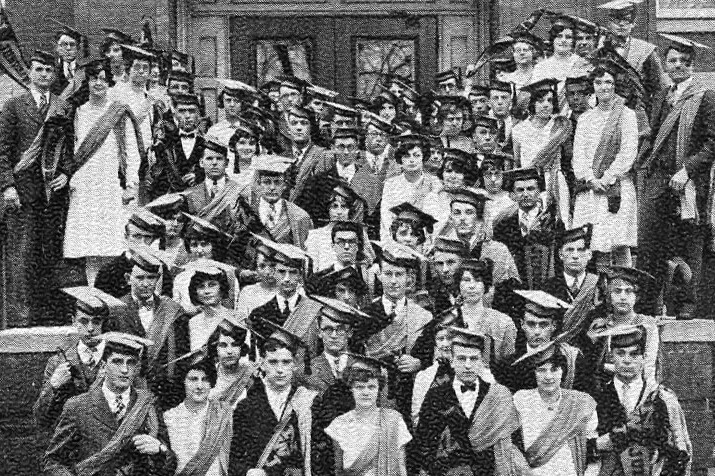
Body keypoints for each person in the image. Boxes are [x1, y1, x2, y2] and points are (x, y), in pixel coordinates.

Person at [635, 34, 715, 318]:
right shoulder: (662, 95)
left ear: (692, 65)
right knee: (649, 239)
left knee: (688, 241)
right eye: (672, 60)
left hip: (688, 181)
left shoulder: (704, 96)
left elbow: (712, 143)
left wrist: (687, 169)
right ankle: (646, 303)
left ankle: (686, 304)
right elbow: (653, 134)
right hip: (658, 176)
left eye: (684, 61)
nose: (677, 65)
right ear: (666, 65)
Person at [0, 50, 73, 326]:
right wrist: (7, 186)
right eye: (39, 69)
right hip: (22, 193)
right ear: (29, 73)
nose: (44, 75)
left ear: (54, 76)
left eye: (48, 71)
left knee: (49, 254)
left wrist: (66, 172)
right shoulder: (14, 106)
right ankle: (20, 316)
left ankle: (47, 313)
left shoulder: (62, 107)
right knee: (21, 254)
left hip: (52, 195)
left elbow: (67, 145)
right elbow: (3, 151)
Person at [43, 332, 177, 476]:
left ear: (137, 368)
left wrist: (160, 450)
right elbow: (53, 461)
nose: (125, 369)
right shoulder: (78, 406)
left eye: (131, 362)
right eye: (117, 361)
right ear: (103, 365)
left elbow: (169, 466)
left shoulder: (147, 404)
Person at [63, 57, 145, 285]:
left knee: (111, 243)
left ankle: (108, 293)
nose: (98, 83)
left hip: (110, 183)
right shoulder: (78, 112)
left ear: (109, 82)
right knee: (89, 246)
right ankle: (92, 292)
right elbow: (71, 148)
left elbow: (131, 151)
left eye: (103, 79)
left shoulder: (118, 112)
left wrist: (131, 184)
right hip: (85, 183)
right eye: (93, 78)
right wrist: (72, 178)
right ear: (87, 82)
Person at [414, 327, 526, 476]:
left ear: (482, 362)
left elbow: (512, 446)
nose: (468, 365)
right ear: (452, 361)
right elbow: (424, 444)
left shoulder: (499, 395)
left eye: (473, 359)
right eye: (461, 358)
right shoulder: (435, 395)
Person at [593, 325, 692, 476]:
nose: (627, 361)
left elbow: (680, 450)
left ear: (644, 358)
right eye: (620, 353)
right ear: (611, 356)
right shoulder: (596, 398)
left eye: (634, 355)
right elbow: (581, 449)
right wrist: (599, 444)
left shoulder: (662, 398)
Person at [572, 61, 639, 268]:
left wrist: (608, 178)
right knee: (596, 246)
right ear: (592, 86)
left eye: (608, 82)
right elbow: (578, 155)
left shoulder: (626, 115)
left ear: (615, 85)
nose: (604, 87)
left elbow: (628, 151)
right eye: (599, 82)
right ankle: (599, 293)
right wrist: (591, 179)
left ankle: (624, 289)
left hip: (616, 187)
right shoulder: (585, 119)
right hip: (591, 190)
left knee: (620, 244)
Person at [228, 324, 318, 476]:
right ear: (262, 363)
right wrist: (248, 472)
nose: (280, 370)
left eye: (286, 362)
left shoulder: (310, 402)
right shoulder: (246, 407)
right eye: (273, 362)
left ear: (295, 364)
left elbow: (320, 454)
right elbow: (233, 461)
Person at [107, 248, 190, 411]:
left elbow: (182, 358)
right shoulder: (115, 311)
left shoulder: (173, 311)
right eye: (140, 278)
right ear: (128, 278)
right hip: (128, 390)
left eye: (151, 278)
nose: (146, 284)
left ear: (158, 278)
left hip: (166, 394)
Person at [34, 287, 124, 429]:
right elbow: (41, 419)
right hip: (72, 443)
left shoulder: (120, 360)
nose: (90, 328)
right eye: (83, 321)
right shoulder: (58, 362)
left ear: (104, 324)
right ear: (73, 321)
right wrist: (53, 385)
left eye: (96, 322)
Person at [512, 345, 599, 476]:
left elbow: (593, 455)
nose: (548, 376)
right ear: (533, 372)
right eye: (541, 370)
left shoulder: (581, 402)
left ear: (563, 371)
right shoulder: (521, 400)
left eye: (554, 369)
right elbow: (510, 447)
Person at [324, 356, 412, 476]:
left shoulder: (394, 420)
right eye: (359, 387)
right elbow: (338, 470)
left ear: (379, 389)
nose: (366, 392)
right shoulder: (339, 424)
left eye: (371, 387)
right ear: (351, 389)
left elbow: (401, 467)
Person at [497, 289, 592, 395]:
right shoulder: (509, 364)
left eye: (543, 325)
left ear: (554, 326)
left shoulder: (571, 359)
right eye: (531, 324)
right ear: (522, 324)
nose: (537, 332)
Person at [585, 267, 660, 388]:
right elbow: (592, 366)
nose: (623, 297)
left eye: (629, 291)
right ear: (609, 295)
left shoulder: (646, 325)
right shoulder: (600, 325)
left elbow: (649, 365)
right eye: (617, 291)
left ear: (637, 296)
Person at [512, 78, 572, 224]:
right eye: (540, 101)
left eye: (550, 101)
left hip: (555, 181)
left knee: (559, 221)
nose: (546, 105)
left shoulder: (560, 126)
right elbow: (517, 161)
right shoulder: (519, 130)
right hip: (529, 184)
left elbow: (568, 156)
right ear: (531, 104)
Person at [493, 168, 560, 290]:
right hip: (514, 287)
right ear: (513, 195)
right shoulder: (503, 224)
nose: (525, 194)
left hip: (545, 285)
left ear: (539, 192)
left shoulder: (551, 222)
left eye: (530, 189)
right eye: (520, 190)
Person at [164, 357, 232, 476]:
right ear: (183, 381)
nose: (199, 386)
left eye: (205, 380)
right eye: (193, 379)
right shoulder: (169, 417)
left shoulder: (223, 413)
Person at [597, 0, 668, 112]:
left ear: (633, 23)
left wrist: (653, 116)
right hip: (605, 112)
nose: (621, 24)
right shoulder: (600, 50)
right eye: (616, 19)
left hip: (636, 113)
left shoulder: (645, 51)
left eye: (626, 19)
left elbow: (661, 87)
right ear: (609, 23)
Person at [448, 259, 517, 367]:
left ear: (485, 285)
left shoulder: (503, 322)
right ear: (458, 284)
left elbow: (508, 363)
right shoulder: (448, 320)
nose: (472, 286)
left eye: (478, 280)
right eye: (466, 280)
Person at [380, 135, 442, 241]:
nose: (411, 160)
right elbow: (386, 218)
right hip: (397, 239)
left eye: (416, 155)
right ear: (400, 160)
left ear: (424, 157)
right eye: (407, 156)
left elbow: (437, 219)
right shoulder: (391, 184)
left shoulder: (435, 183)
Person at [94, 210, 166, 298]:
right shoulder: (108, 271)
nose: (142, 242)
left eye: (148, 237)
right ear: (126, 237)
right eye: (137, 236)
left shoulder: (161, 268)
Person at [150, 93, 207, 198]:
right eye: (181, 111)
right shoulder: (164, 143)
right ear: (175, 113)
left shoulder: (207, 143)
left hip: (199, 200)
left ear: (199, 114)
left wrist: (199, 175)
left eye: (192, 111)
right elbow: (154, 176)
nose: (187, 116)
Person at [251, 155, 314, 248]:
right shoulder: (245, 211)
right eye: (267, 182)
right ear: (258, 183)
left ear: (285, 185)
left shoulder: (300, 217)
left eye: (277, 182)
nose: (272, 188)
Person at [108, 45, 156, 152]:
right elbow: (126, 126)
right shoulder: (117, 92)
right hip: (124, 151)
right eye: (137, 67)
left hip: (145, 154)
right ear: (128, 69)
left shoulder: (148, 96)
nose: (141, 71)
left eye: (145, 68)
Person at [423, 148, 479, 238]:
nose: (453, 176)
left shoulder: (476, 196)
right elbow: (428, 231)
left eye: (458, 172)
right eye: (448, 171)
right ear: (442, 173)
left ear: (466, 175)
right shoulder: (432, 198)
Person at [283, 105, 332, 202]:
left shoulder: (323, 155)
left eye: (304, 123)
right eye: (294, 123)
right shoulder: (282, 156)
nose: (299, 128)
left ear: (311, 127)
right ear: (288, 129)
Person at [542, 225, 599, 304]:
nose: (575, 256)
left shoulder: (598, 286)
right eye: (569, 250)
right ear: (561, 254)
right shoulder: (548, 288)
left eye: (581, 250)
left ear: (589, 254)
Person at [531, 16, 582, 106]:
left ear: (573, 41)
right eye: (559, 36)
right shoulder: (541, 67)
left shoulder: (581, 63)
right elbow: (536, 97)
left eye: (568, 37)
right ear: (553, 39)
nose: (563, 40)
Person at [208, 315, 256, 408]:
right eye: (223, 345)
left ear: (242, 348)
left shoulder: (249, 373)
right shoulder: (207, 374)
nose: (229, 351)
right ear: (215, 348)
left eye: (234, 345)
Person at [207, 79, 252, 175]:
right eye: (228, 100)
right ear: (222, 102)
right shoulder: (214, 131)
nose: (232, 105)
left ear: (242, 103)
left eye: (236, 101)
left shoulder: (250, 129)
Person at [187, 265, 235, 350]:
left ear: (221, 288)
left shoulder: (234, 318)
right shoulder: (193, 322)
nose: (206, 291)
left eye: (212, 285)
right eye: (201, 286)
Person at [185, 137, 237, 214]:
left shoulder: (237, 190)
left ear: (226, 163)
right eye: (209, 158)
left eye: (219, 159)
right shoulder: (190, 194)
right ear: (201, 163)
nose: (214, 163)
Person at [480, 152, 517, 235]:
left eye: (497, 174)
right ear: (482, 176)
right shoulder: (477, 197)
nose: (493, 179)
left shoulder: (511, 199)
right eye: (488, 175)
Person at [51, 23, 83, 96]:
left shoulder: (84, 71)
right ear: (57, 48)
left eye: (72, 45)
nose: (68, 48)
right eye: (64, 44)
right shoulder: (51, 71)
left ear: (78, 48)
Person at [487, 80, 515, 153]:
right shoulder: (483, 121)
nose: (500, 102)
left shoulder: (518, 123)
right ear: (489, 103)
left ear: (511, 102)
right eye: (495, 98)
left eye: (504, 97)